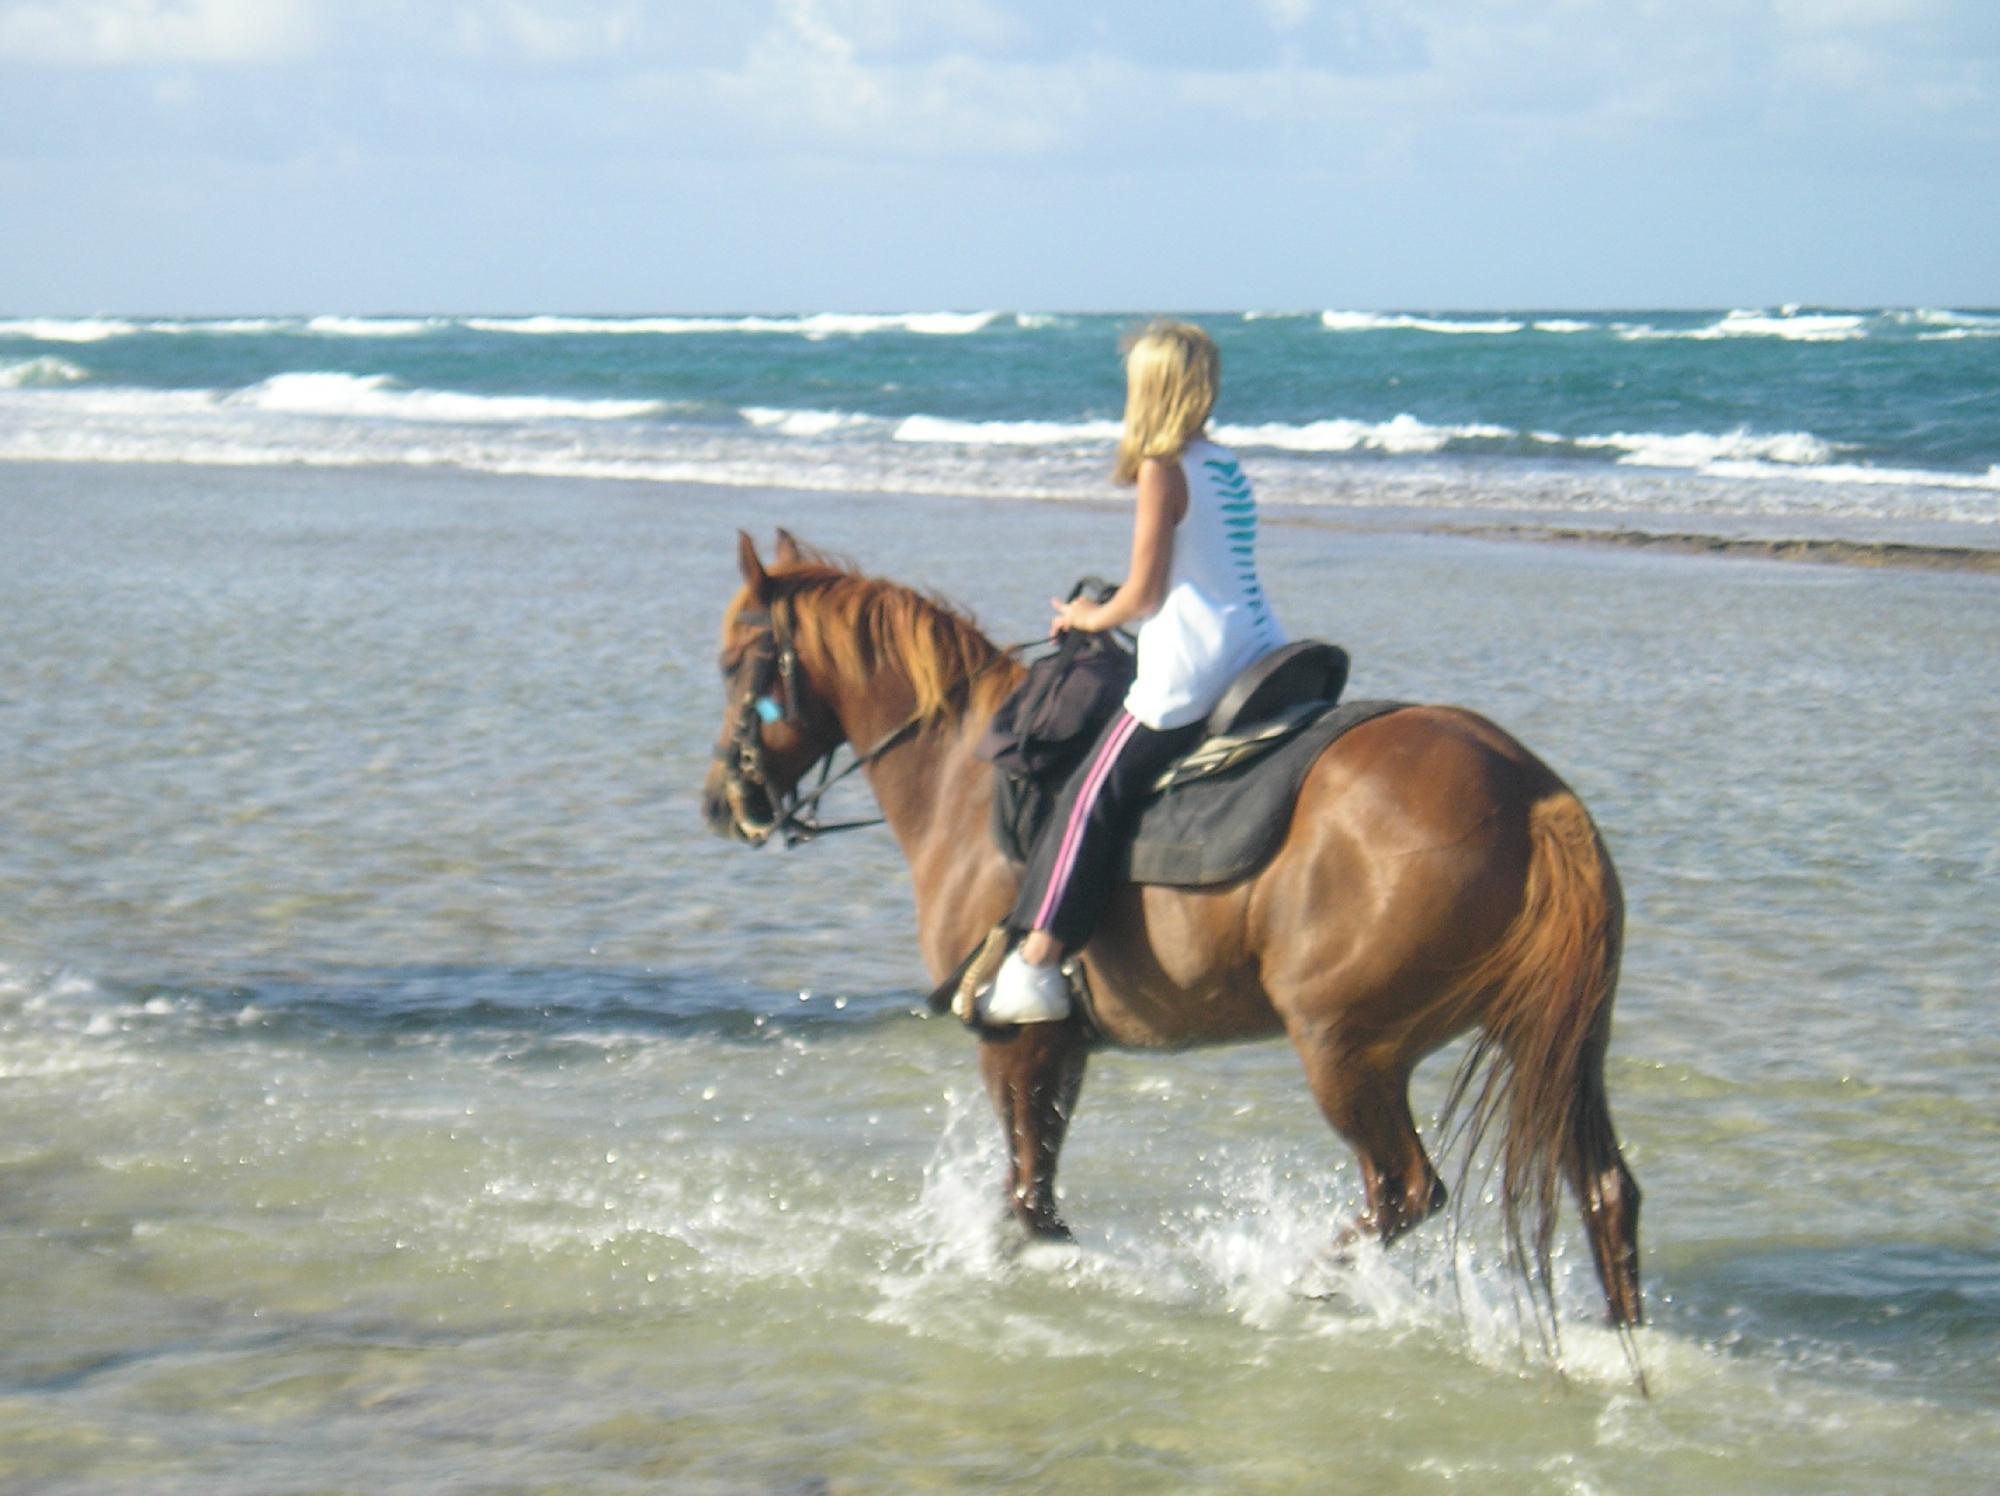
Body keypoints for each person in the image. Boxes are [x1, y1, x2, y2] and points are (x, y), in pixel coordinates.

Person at [983, 320, 1284, 1024]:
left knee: (1091, 790)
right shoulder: (1223, 462)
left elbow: (1144, 598)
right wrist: (1111, 601)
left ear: (1148, 388)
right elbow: (1194, 566)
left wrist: (1087, 616)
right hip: (1258, 643)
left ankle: (1038, 965)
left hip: (1192, 662)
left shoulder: (1162, 467)